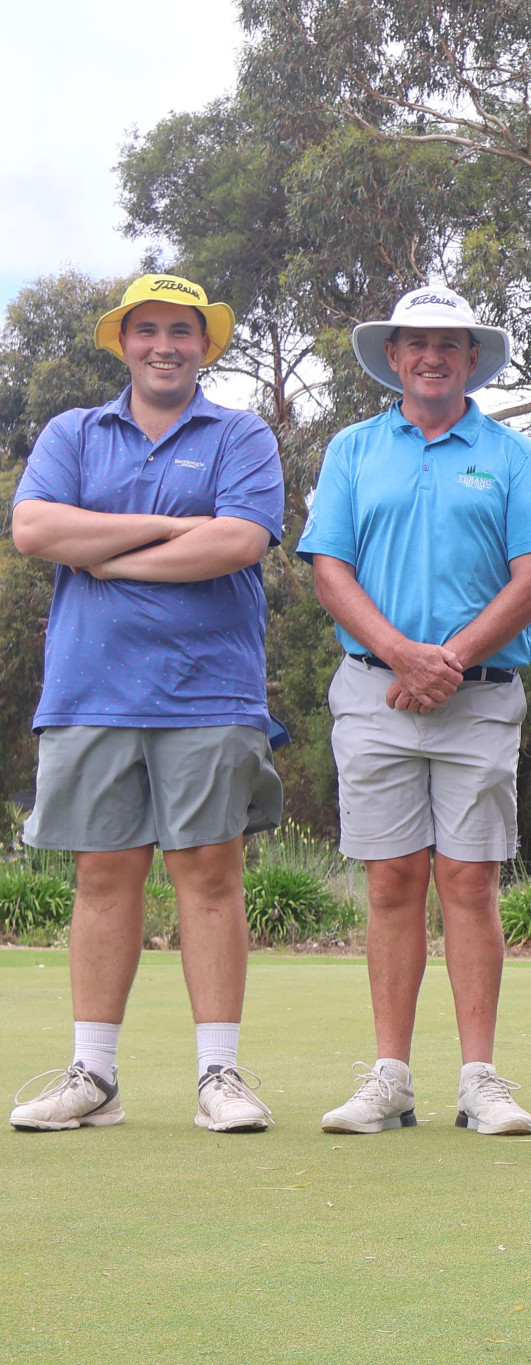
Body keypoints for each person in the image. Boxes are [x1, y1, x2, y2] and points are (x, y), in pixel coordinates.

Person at [9, 274, 285, 1135]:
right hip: (91, 687)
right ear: (123, 342)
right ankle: (95, 1075)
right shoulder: (73, 432)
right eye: (148, 330)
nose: (165, 344)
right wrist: (172, 527)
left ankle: (219, 1075)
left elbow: (238, 540)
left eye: (182, 330)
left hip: (211, 689)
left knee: (209, 874)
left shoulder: (242, 435)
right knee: (103, 874)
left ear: (206, 345)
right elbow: (36, 531)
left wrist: (111, 549)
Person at [299, 287, 531, 1137]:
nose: (432, 356)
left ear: (472, 359)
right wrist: (405, 655)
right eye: (417, 343)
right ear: (395, 355)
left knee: (471, 881)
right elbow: (330, 570)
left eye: (449, 344)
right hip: (375, 691)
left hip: (477, 698)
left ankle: (479, 1078)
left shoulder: (510, 454)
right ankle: (391, 1077)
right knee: (391, 880)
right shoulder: (352, 449)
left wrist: (445, 661)